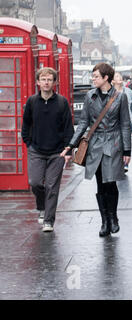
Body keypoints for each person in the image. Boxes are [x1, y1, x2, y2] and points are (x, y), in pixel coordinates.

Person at [61, 63, 131, 237]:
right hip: (95, 144)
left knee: (110, 182)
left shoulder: (120, 97)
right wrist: (71, 144)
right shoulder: (90, 96)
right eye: (93, 76)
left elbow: (125, 125)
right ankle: (104, 221)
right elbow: (83, 122)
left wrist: (127, 151)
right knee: (100, 182)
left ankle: (113, 217)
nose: (93, 79)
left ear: (106, 78)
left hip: (113, 143)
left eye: (96, 77)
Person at [21, 67, 74, 232]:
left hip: (57, 152)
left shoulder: (61, 102)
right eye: (43, 79)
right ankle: (42, 206)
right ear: (38, 82)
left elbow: (68, 127)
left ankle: (48, 221)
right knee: (35, 182)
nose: (46, 82)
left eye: (49, 79)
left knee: (52, 186)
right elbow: (26, 124)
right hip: (36, 150)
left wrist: (68, 150)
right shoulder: (31, 102)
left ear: (54, 82)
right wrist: (28, 142)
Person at [112, 72, 132, 172]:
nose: (119, 77)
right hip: (115, 123)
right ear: (112, 80)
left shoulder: (128, 91)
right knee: (117, 144)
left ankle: (125, 163)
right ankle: (118, 162)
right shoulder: (110, 92)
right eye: (117, 76)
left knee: (126, 142)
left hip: (128, 122)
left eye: (120, 76)